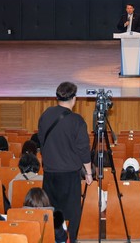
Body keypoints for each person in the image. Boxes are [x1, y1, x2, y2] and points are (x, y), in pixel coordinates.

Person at [38, 81, 92, 243]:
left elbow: (41, 140)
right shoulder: (76, 120)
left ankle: (53, 239)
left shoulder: (45, 115)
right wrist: (89, 173)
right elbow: (83, 149)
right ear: (74, 99)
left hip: (49, 173)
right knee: (71, 214)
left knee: (52, 213)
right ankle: (70, 240)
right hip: (69, 176)